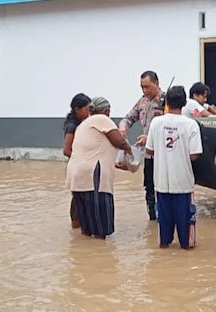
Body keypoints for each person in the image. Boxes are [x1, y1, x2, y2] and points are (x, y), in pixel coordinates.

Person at [66, 97, 132, 239]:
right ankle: (101, 256)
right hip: (92, 176)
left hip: (76, 176)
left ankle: (85, 256)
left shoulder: (83, 125)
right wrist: (131, 151)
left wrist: (115, 164)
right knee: (100, 226)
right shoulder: (102, 119)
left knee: (87, 228)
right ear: (106, 111)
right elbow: (119, 141)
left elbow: (93, 150)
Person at [146, 86, 203, 249]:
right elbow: (194, 155)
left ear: (167, 102)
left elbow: (149, 150)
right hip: (183, 184)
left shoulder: (156, 123)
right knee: (187, 241)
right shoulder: (191, 125)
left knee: (164, 240)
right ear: (184, 103)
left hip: (162, 183)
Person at [119, 71, 164, 220]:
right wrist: (123, 126)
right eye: (142, 87)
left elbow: (169, 127)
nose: (144, 90)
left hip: (164, 154)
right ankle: (152, 219)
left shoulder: (166, 102)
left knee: (163, 188)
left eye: (147, 87)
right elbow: (129, 117)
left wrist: (150, 137)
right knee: (149, 187)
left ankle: (164, 217)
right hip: (149, 155)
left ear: (156, 83)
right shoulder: (142, 101)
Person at [63, 93, 92, 229]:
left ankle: (80, 227)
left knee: (82, 199)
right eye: (87, 109)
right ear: (77, 110)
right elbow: (66, 150)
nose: (89, 113)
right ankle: (75, 226)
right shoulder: (72, 126)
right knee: (78, 199)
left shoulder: (83, 124)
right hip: (77, 167)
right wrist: (83, 159)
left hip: (82, 165)